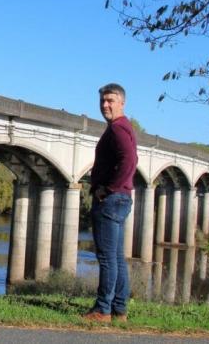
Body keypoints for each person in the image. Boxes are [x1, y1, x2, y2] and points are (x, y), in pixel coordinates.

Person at [84, 83, 138, 323]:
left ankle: (102, 309)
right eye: (103, 101)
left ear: (122, 103)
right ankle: (119, 308)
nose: (105, 105)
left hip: (112, 200)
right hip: (121, 199)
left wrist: (109, 188)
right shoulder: (123, 128)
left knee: (107, 258)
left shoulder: (117, 129)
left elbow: (129, 159)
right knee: (116, 257)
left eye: (111, 100)